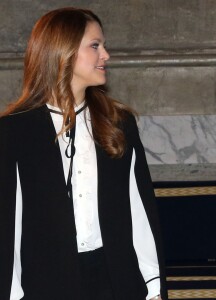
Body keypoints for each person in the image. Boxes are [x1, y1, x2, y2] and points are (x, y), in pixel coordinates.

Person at [0, 7, 167, 300]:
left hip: (116, 280)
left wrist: (153, 287)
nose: (106, 55)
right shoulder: (15, 130)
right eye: (95, 46)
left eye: (103, 46)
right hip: (45, 283)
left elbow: (139, 211)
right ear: (62, 51)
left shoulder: (119, 123)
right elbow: (9, 223)